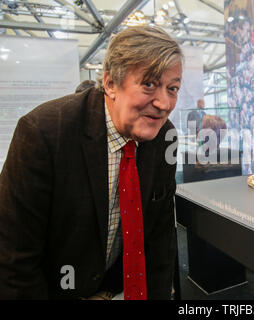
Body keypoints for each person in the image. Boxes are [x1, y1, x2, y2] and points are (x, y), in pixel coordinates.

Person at [0, 26, 183, 300]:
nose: (164, 103)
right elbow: (15, 255)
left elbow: (160, 236)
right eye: (149, 84)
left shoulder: (164, 135)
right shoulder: (44, 132)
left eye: (172, 88)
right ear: (110, 84)